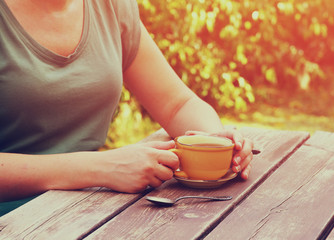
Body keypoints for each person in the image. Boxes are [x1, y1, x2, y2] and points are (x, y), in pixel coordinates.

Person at [0, 0, 254, 216]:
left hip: (89, 210)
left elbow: (176, 103)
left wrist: (214, 140)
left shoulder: (110, 6)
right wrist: (99, 168)